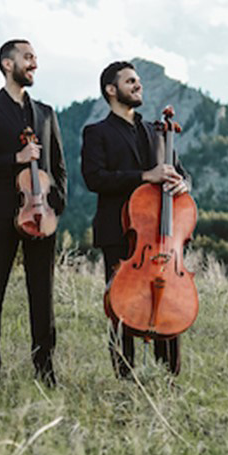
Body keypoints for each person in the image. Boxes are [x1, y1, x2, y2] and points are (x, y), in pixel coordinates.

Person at [0, 39, 66, 387]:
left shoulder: (47, 113)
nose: (34, 62)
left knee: (43, 292)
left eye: (35, 57)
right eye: (28, 57)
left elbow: (58, 166)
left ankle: (45, 368)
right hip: (1, 214)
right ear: (8, 64)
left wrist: (56, 202)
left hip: (42, 214)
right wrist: (15, 159)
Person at [80, 60, 191, 377]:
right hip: (118, 230)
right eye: (130, 81)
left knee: (166, 296)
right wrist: (145, 175)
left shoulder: (155, 131)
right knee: (122, 305)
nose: (138, 85)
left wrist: (183, 183)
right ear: (111, 90)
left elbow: (181, 173)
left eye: (138, 81)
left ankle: (169, 374)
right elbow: (95, 178)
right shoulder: (96, 132)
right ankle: (124, 377)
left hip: (158, 233)